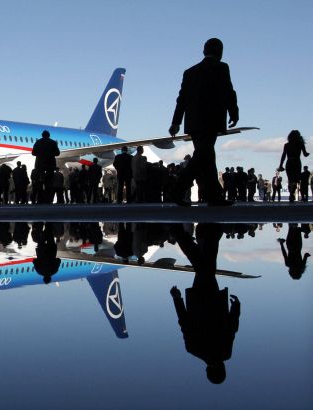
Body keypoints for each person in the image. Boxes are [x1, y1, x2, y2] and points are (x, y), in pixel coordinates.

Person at [169, 38, 239, 206]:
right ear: (220, 52)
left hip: (193, 123)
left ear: (203, 51)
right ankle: (177, 190)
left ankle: (214, 197)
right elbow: (229, 91)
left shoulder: (190, 72)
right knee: (202, 156)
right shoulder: (222, 68)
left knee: (207, 157)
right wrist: (234, 112)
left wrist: (176, 122)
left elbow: (181, 99)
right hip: (212, 121)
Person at [169, 223, 241, 384]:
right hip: (198, 301)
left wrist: (236, 308)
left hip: (214, 301)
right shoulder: (193, 349)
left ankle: (203, 233)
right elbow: (184, 322)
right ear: (208, 370)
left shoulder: (225, 353)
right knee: (205, 269)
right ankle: (201, 234)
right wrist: (177, 299)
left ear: (222, 369)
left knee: (206, 269)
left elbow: (231, 328)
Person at [278, 130, 309, 202]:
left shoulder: (286, 145)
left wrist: (281, 165)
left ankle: (291, 193)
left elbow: (283, 156)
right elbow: (305, 154)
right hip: (297, 162)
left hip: (289, 162)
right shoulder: (300, 144)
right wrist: (307, 154)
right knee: (295, 180)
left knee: (290, 179)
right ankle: (292, 193)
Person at [31, 130, 60, 203]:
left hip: (40, 166)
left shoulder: (38, 142)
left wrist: (40, 154)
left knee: (39, 183)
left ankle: (40, 200)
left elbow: (33, 153)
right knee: (49, 183)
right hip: (50, 165)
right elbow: (57, 153)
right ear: (49, 135)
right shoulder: (53, 142)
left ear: (42, 135)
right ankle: (49, 199)